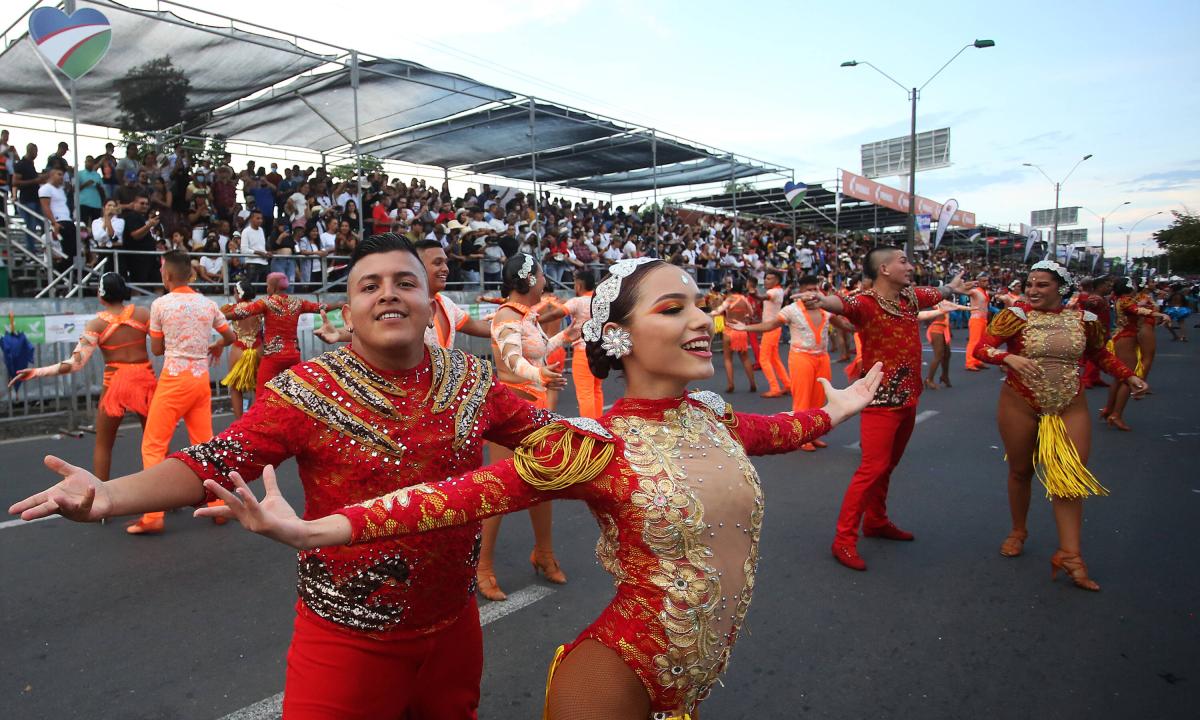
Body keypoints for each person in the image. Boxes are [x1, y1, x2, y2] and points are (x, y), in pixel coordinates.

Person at [194, 257, 883, 719]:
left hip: (691, 683)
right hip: (617, 677)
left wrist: (840, 410)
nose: (703, 321)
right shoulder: (596, 446)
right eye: (675, 308)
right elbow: (456, 497)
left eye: (701, 306)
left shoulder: (715, 415)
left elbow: (780, 431)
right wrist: (318, 530)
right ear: (618, 335)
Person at [9, 233, 555, 718]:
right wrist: (107, 495)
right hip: (345, 639)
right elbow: (216, 460)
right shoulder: (308, 390)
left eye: (404, 282)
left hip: (454, 628)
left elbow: (550, 439)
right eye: (370, 286)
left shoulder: (471, 379)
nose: (388, 293)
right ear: (347, 312)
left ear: (428, 299)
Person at [972, 261, 1147, 591]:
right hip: (1020, 401)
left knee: (1069, 476)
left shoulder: (1086, 319)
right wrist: (1006, 358)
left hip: (1069, 402)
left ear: (1061, 288)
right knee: (1022, 470)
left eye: (1042, 285)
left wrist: (1129, 375)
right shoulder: (1016, 316)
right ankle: (1018, 530)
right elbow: (982, 347)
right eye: (1030, 284)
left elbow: (1100, 355)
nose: (1033, 290)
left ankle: (1070, 555)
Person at [800, 245, 973, 571]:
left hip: (909, 398)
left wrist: (952, 287)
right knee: (872, 469)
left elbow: (936, 292)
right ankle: (843, 539)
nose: (910, 266)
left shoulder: (910, 298)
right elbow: (843, 304)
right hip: (880, 401)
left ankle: (876, 521)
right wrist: (823, 301)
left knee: (886, 466)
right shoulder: (866, 303)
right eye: (903, 261)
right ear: (884, 269)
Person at [476, 252, 572, 602]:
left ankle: (544, 554)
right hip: (510, 409)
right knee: (500, 487)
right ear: (530, 279)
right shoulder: (505, 316)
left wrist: (570, 334)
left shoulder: (526, 315)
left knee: (542, 483)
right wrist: (540, 375)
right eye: (543, 274)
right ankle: (483, 565)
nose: (547, 281)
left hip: (534, 408)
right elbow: (514, 361)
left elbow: (541, 350)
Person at [128, 250, 236, 534]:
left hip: (174, 380)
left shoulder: (161, 304)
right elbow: (230, 336)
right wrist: (215, 346)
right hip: (201, 381)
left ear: (166, 275)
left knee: (153, 445)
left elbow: (157, 349)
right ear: (190, 273)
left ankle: (153, 516)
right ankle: (217, 506)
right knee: (205, 446)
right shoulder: (207, 304)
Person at [8, 273, 155, 482]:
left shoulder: (96, 325)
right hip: (146, 381)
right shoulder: (142, 314)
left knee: (104, 444)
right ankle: (167, 497)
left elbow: (74, 364)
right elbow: (162, 344)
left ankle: (102, 505)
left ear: (101, 294)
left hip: (116, 385)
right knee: (154, 440)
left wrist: (36, 372)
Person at [732, 275, 852, 451]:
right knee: (802, 400)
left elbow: (843, 325)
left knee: (819, 399)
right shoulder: (791, 310)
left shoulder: (825, 310)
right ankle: (802, 437)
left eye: (815, 289)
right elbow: (771, 325)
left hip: (822, 357)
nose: (813, 293)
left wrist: (865, 327)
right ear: (801, 291)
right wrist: (746, 328)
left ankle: (815, 434)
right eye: (809, 289)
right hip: (801, 357)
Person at [223, 272, 324, 395]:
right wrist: (341, 305)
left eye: (268, 286)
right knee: (293, 394)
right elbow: (321, 307)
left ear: (273, 287)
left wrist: (219, 316)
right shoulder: (298, 302)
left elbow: (242, 313)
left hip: (273, 358)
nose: (267, 288)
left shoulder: (266, 302)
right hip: (293, 356)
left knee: (262, 393)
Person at [1100, 278, 1166, 431]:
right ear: (1129, 288)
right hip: (1126, 338)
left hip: (1123, 337)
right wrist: (1160, 315)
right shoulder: (1125, 300)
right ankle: (1116, 414)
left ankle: (1109, 409)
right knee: (1127, 378)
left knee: (1119, 377)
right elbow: (1137, 310)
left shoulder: (1123, 299)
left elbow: (1137, 308)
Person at [562, 269, 604, 418]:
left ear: (579, 285)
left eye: (574, 283)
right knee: (596, 389)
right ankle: (599, 424)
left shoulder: (577, 302)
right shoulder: (601, 301)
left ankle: (589, 431)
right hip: (600, 350)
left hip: (583, 351)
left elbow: (558, 312)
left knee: (585, 393)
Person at [220, 279, 263, 419]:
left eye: (234, 292)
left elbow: (217, 319)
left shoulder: (231, 308)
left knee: (235, 387)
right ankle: (257, 419)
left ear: (238, 293)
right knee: (259, 386)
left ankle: (239, 422)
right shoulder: (260, 307)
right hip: (258, 348)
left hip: (238, 348)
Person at [709, 278, 757, 393]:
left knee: (728, 359)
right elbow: (751, 313)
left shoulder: (729, 299)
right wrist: (745, 317)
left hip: (729, 331)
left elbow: (717, 311)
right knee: (745, 359)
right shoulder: (744, 300)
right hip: (741, 331)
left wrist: (707, 314)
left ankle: (731, 384)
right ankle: (752, 383)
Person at [756, 270, 791, 398]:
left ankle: (775, 388)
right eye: (766, 278)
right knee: (774, 359)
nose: (766, 280)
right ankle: (787, 384)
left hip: (770, 329)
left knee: (764, 359)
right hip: (774, 328)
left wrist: (753, 293)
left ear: (776, 281)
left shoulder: (773, 292)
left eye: (770, 278)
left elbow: (762, 297)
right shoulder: (779, 290)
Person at [964, 274, 991, 371]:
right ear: (978, 282)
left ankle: (977, 361)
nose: (986, 282)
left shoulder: (986, 292)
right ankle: (970, 362)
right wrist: (973, 283)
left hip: (983, 320)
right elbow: (962, 288)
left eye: (987, 280)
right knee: (974, 341)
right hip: (976, 319)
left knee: (981, 342)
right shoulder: (974, 291)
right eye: (983, 281)